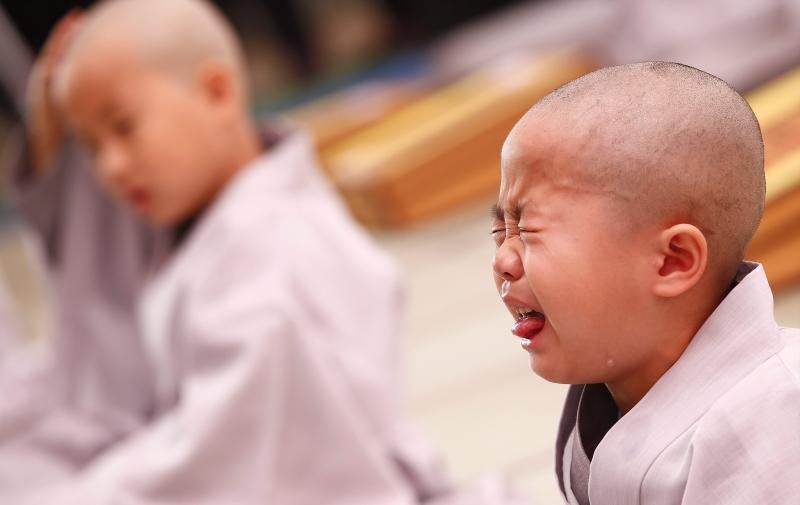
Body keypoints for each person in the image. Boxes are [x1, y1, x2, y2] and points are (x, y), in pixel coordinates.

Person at [0, 1, 466, 503]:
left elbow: (223, 449)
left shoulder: (273, 260)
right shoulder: (197, 219)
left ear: (218, 92)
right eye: (90, 148)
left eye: (124, 127)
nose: (110, 167)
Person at [491, 62, 800, 504]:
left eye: (531, 231)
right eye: (500, 231)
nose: (503, 259)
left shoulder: (774, 421)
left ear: (672, 262)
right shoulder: (607, 397)